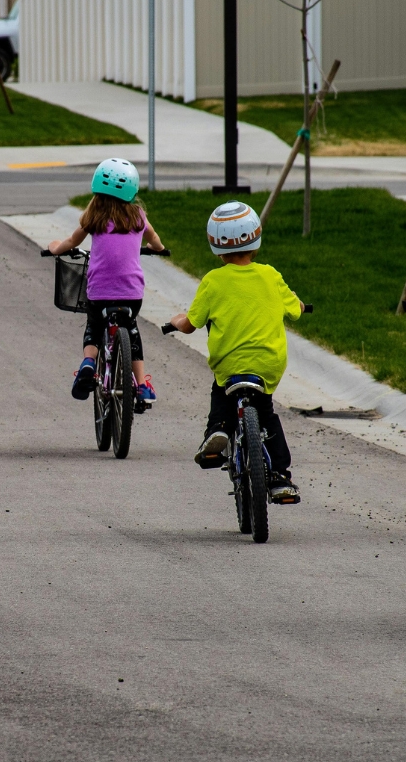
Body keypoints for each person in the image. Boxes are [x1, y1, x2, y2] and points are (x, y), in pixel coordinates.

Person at [168, 201, 302, 504]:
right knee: (265, 413)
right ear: (256, 238)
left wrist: (176, 320)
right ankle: (280, 478)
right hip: (267, 363)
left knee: (221, 393)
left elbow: (190, 324)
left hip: (230, 364)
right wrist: (300, 304)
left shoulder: (213, 281)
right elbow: (294, 309)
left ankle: (218, 430)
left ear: (215, 245)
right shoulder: (271, 276)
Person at [48, 158, 165, 403]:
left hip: (99, 293)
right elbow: (154, 239)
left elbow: (71, 242)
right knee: (132, 331)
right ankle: (142, 386)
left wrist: (55, 247)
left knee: (94, 326)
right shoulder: (138, 216)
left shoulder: (94, 217)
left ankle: (88, 362)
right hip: (131, 294)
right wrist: (158, 248)